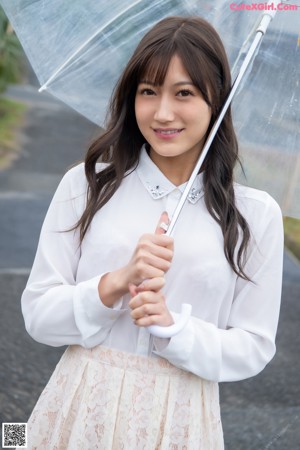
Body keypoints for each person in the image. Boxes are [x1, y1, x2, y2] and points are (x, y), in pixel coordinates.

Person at [20, 16, 283, 449]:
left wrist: (173, 329)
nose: (163, 113)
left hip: (181, 422)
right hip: (78, 409)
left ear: (216, 101)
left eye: (184, 93)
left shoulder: (255, 215)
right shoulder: (86, 186)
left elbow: (254, 347)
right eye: (148, 91)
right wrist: (112, 285)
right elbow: (38, 317)